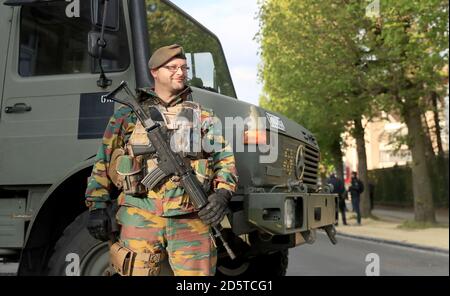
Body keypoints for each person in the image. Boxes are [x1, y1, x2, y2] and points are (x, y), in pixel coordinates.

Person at [84, 44, 238, 276]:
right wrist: (96, 205)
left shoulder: (204, 116)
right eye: (172, 67)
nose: (181, 72)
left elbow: (224, 160)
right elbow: (103, 162)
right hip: (139, 214)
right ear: (155, 71)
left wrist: (222, 195)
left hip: (191, 218)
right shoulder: (126, 115)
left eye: (184, 68)